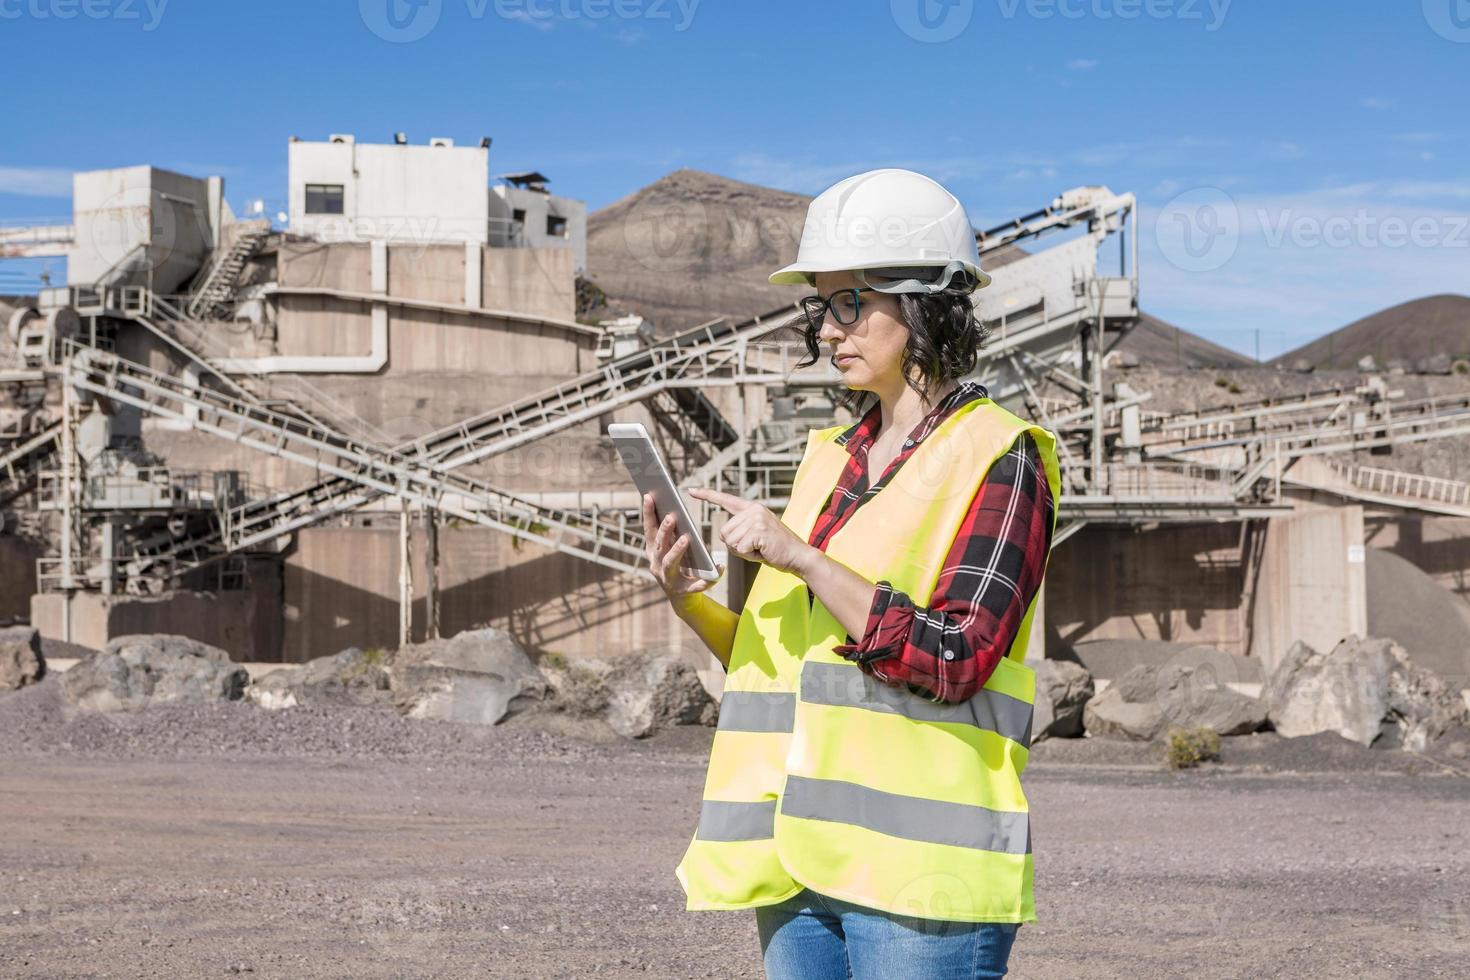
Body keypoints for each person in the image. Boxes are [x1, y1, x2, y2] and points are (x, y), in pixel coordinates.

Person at [641, 168, 1059, 979]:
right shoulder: (826, 461)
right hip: (796, 861)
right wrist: (689, 601)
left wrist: (800, 556)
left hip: (922, 882)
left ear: (925, 305)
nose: (829, 331)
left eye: (848, 305)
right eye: (820, 308)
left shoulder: (1000, 458)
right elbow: (784, 667)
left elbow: (959, 656)